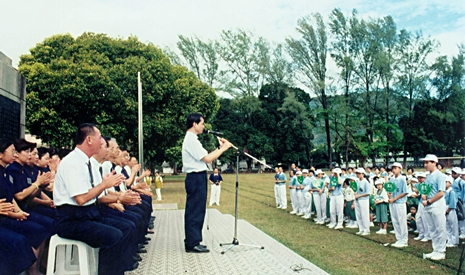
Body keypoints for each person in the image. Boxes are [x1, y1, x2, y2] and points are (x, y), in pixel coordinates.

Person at [53, 123, 136, 274]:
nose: (101, 142)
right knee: (114, 236)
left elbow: (91, 196)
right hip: (71, 220)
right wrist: (104, 185)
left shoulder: (84, 161)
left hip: (87, 215)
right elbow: (81, 199)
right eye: (99, 138)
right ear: (89, 140)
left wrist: (113, 194)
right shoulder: (72, 163)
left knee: (126, 227)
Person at [182, 113, 231, 253]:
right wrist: (223, 148)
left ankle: (195, 240)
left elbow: (205, 156)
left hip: (198, 176)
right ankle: (191, 243)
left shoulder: (193, 140)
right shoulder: (191, 140)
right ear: (194, 124)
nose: (203, 126)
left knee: (198, 209)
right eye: (202, 123)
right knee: (195, 210)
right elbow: (208, 159)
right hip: (195, 177)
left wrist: (218, 148)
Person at [421, 154, 447, 261]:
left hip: (436, 204)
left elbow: (441, 193)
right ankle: (435, 249)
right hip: (428, 204)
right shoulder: (428, 176)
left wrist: (429, 201)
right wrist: (424, 197)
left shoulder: (440, 176)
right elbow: (426, 190)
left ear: (434, 163)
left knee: (440, 227)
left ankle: (441, 251)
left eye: (428, 162)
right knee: (432, 228)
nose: (425, 165)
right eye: (425, 162)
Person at [388, 162, 409, 248]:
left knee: (401, 221)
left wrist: (394, 199)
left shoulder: (402, 179)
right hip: (392, 202)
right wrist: (389, 195)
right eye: (393, 168)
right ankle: (399, 239)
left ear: (400, 169)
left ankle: (404, 240)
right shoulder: (392, 179)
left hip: (400, 203)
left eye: (395, 168)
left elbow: (404, 192)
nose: (393, 170)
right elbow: (390, 189)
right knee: (395, 220)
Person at [354, 167, 371, 235]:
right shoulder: (357, 181)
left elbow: (368, 193)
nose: (357, 175)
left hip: (364, 200)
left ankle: (366, 229)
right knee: (358, 215)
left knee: (364, 215)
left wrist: (359, 196)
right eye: (357, 173)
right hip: (357, 200)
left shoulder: (366, 182)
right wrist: (355, 194)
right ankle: (361, 229)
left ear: (363, 174)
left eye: (359, 173)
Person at [445, 176, 459, 248]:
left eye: (446, 182)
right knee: (447, 226)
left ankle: (454, 241)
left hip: (450, 210)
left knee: (453, 226)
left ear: (450, 183)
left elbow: (452, 203)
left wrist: (447, 211)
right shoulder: (445, 192)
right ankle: (449, 240)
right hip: (445, 208)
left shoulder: (452, 192)